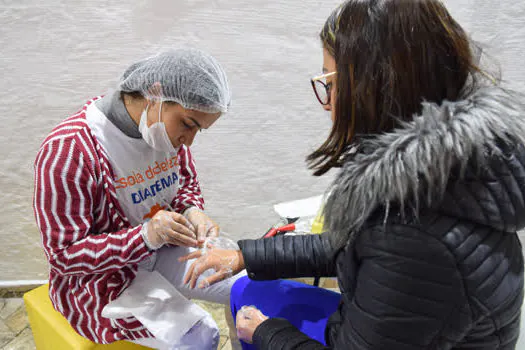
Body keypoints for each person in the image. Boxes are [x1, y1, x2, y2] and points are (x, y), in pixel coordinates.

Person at [181, 1, 525, 349]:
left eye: (329, 82)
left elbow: (382, 250)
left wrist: (266, 332)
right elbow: (356, 246)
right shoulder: (445, 176)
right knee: (246, 286)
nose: (327, 102)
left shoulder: (415, 235)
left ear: (376, 86)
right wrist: (247, 255)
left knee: (250, 310)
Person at [33, 48, 244, 349]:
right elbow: (64, 255)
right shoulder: (70, 151)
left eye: (200, 130)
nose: (189, 140)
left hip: (163, 251)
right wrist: (145, 236)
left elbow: (185, 182)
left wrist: (191, 209)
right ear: (155, 94)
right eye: (188, 124)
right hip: (103, 278)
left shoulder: (162, 132)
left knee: (247, 284)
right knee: (200, 337)